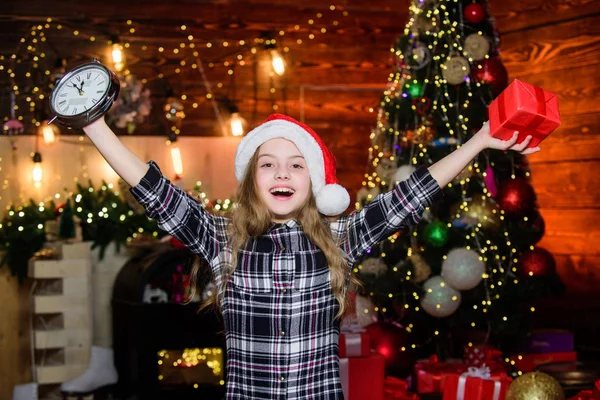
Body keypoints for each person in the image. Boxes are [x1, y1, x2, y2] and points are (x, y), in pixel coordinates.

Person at [82, 113, 539, 399]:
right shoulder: (222, 237)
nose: (283, 172)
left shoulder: (338, 238)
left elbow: (409, 195)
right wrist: (94, 123)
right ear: (251, 180)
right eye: (268, 163)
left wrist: (478, 142)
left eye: (297, 164)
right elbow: (152, 188)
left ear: (313, 182)